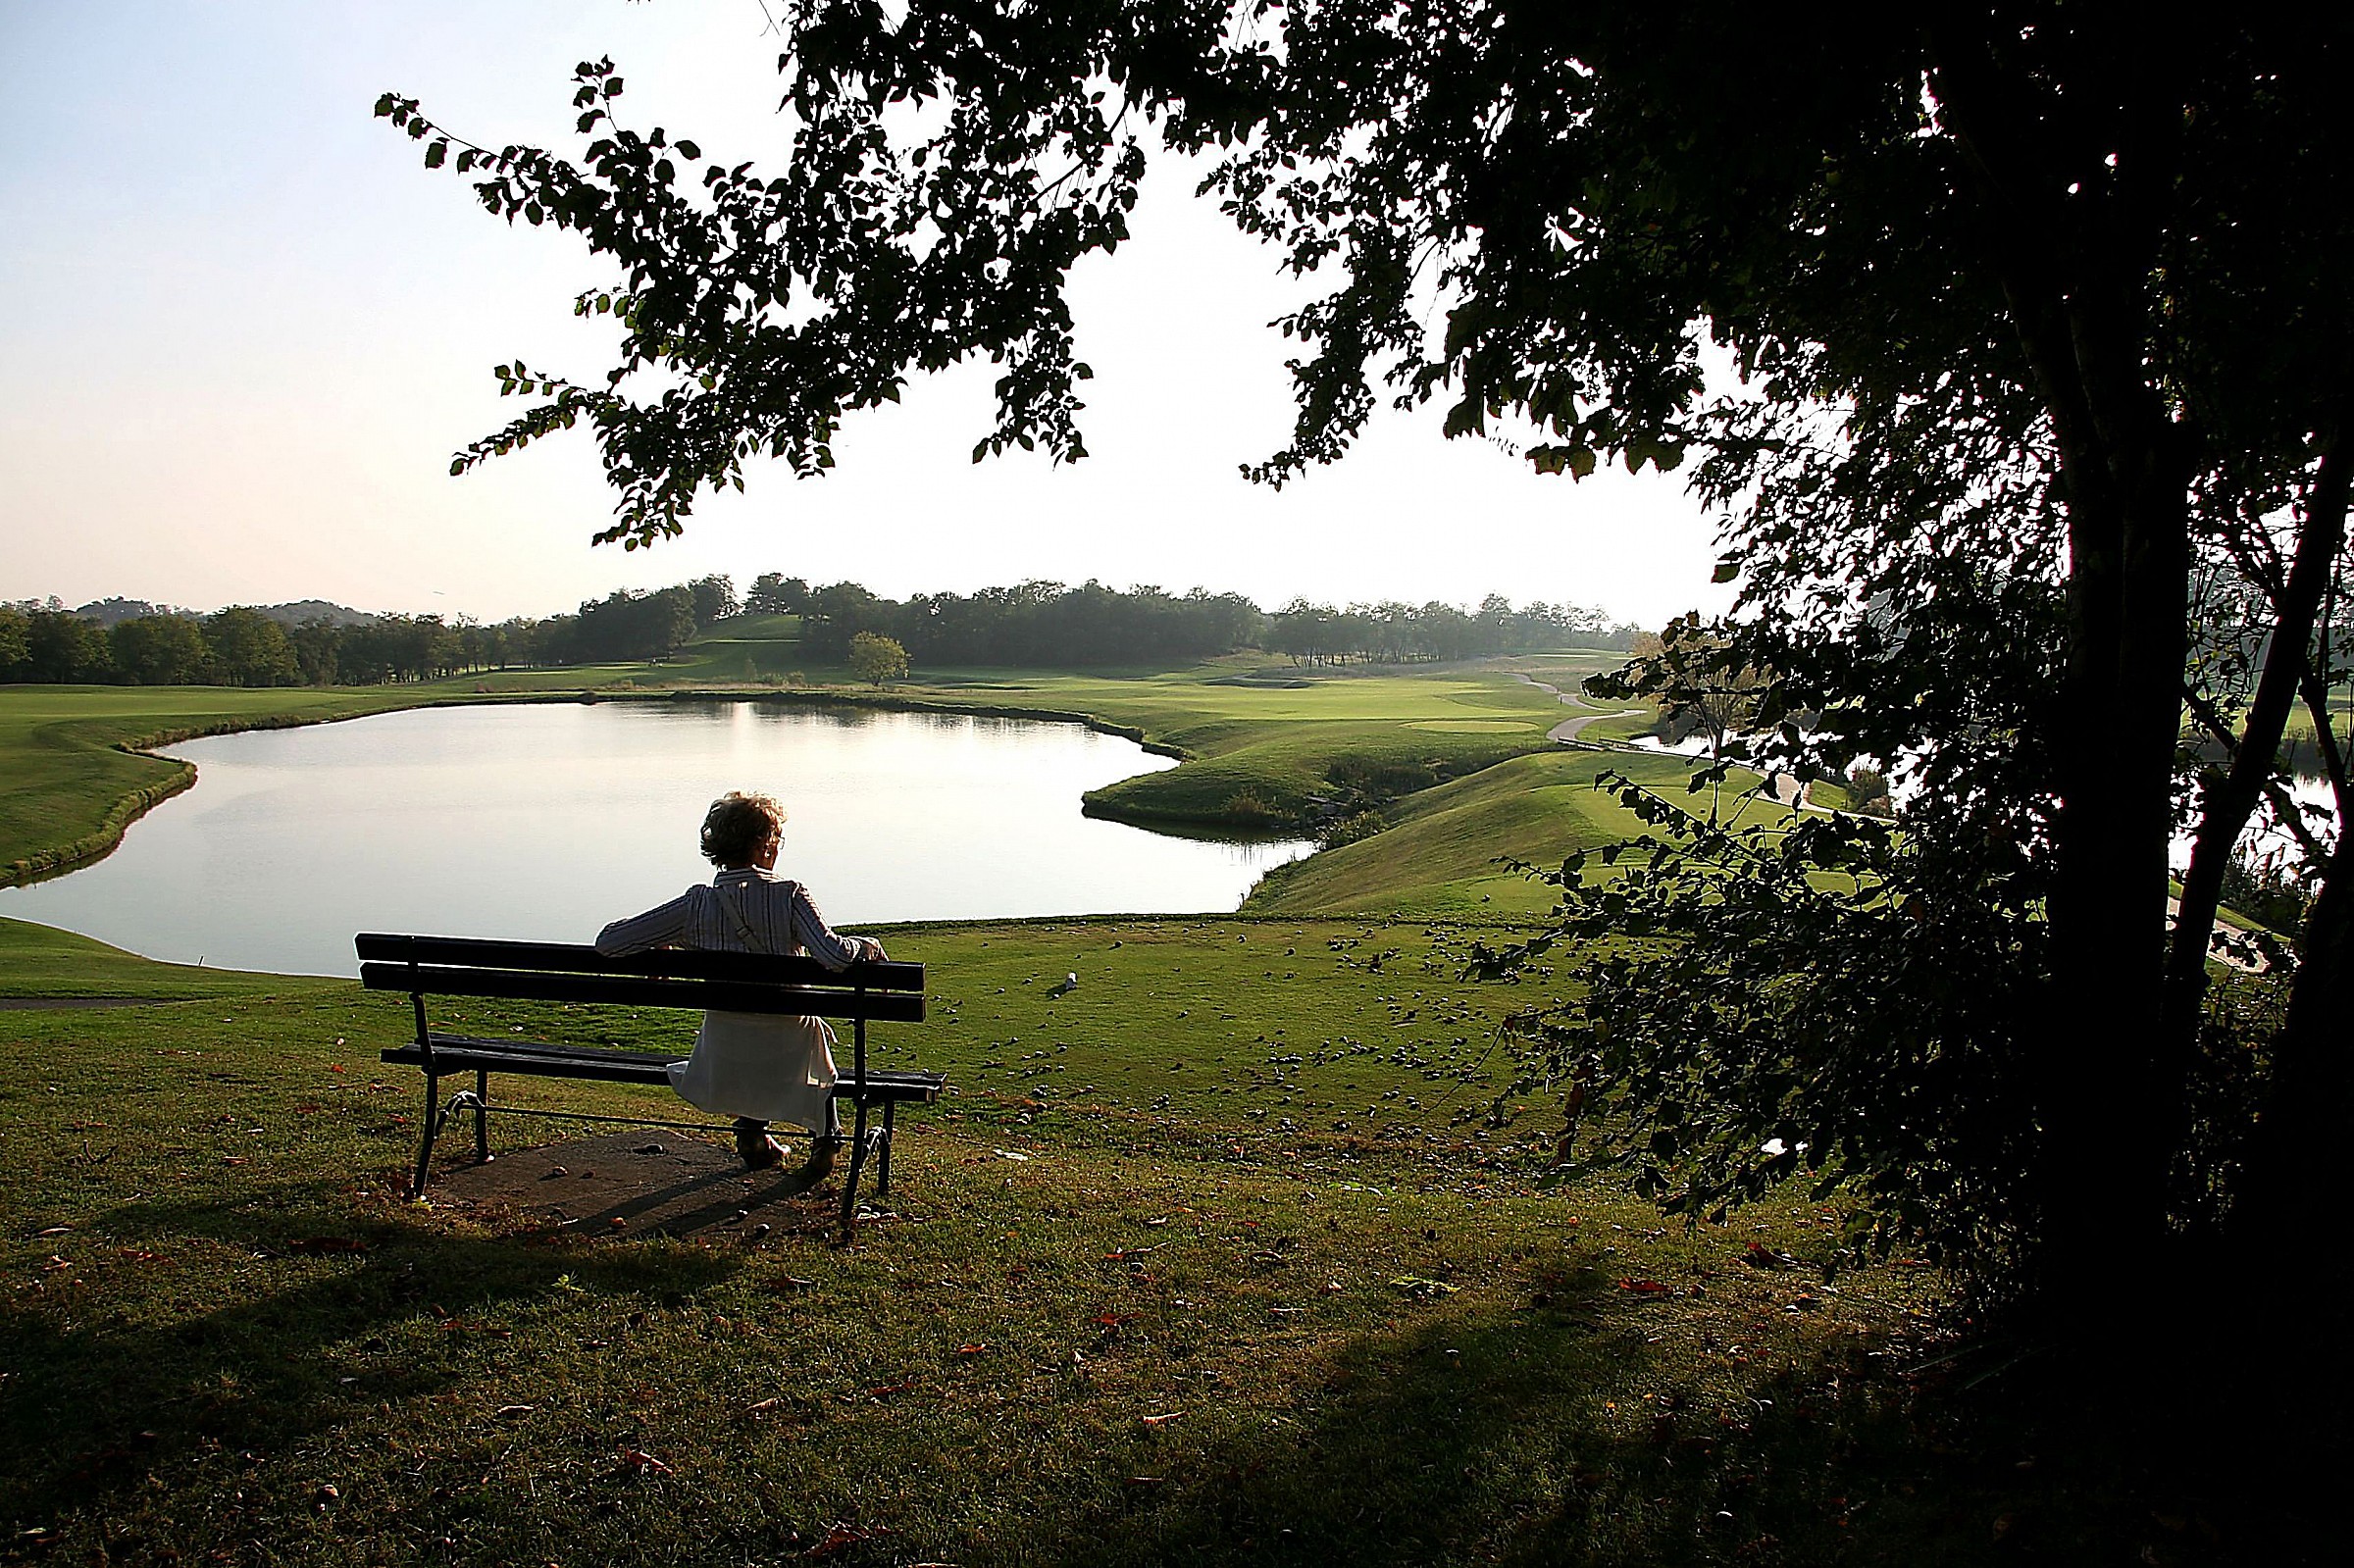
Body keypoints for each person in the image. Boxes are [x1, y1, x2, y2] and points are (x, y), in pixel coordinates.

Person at [594, 790, 887, 1176]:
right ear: (764, 844)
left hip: (725, 1042)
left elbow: (609, 942)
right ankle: (825, 1140)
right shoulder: (789, 895)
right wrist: (866, 945)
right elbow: (833, 956)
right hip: (788, 1041)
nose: (778, 847)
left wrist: (658, 942)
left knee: (757, 1037)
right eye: (777, 838)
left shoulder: (696, 904)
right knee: (802, 1033)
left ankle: (752, 1131)